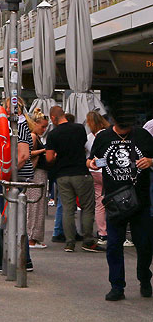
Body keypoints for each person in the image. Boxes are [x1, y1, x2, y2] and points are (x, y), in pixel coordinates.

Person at [88, 108, 153, 301]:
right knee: (114, 245)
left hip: (140, 200)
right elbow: (93, 160)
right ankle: (117, 286)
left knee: (144, 245)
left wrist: (150, 161)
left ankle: (144, 278)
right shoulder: (104, 137)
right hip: (115, 201)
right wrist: (91, 164)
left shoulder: (142, 135)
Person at [45, 105, 100, 253]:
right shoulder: (79, 129)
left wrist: (57, 156)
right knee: (87, 207)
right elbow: (82, 147)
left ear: (53, 118)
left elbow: (49, 158)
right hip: (81, 172)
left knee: (68, 209)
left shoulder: (53, 134)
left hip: (62, 175)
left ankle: (69, 242)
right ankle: (87, 240)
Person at [25, 108, 50, 249]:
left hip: (37, 172)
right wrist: (44, 150)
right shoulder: (33, 137)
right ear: (35, 124)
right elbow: (28, 153)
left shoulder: (35, 136)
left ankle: (34, 236)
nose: (44, 129)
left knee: (37, 206)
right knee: (36, 206)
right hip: (36, 173)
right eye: (42, 126)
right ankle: (32, 237)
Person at [86, 109, 111, 246]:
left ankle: (102, 232)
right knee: (113, 199)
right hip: (106, 170)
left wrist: (92, 163)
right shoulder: (107, 134)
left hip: (94, 170)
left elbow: (90, 156)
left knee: (99, 202)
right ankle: (113, 230)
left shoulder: (90, 136)